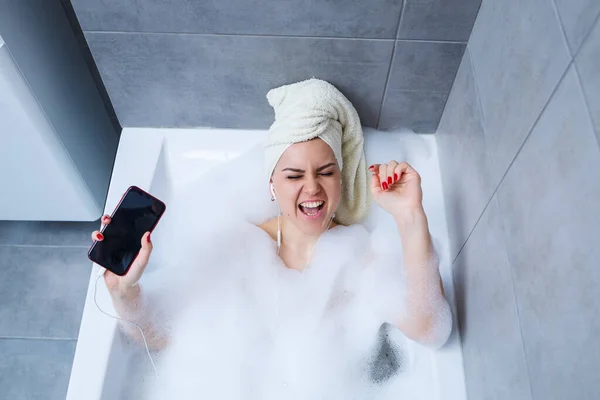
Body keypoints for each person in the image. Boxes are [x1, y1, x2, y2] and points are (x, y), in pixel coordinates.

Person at [91, 79, 451, 382]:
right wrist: (125, 291)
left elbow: (429, 329)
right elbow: (158, 337)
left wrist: (409, 216)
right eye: (294, 176)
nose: (311, 188)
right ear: (272, 185)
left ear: (341, 178)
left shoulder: (360, 255)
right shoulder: (238, 248)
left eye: (326, 172)